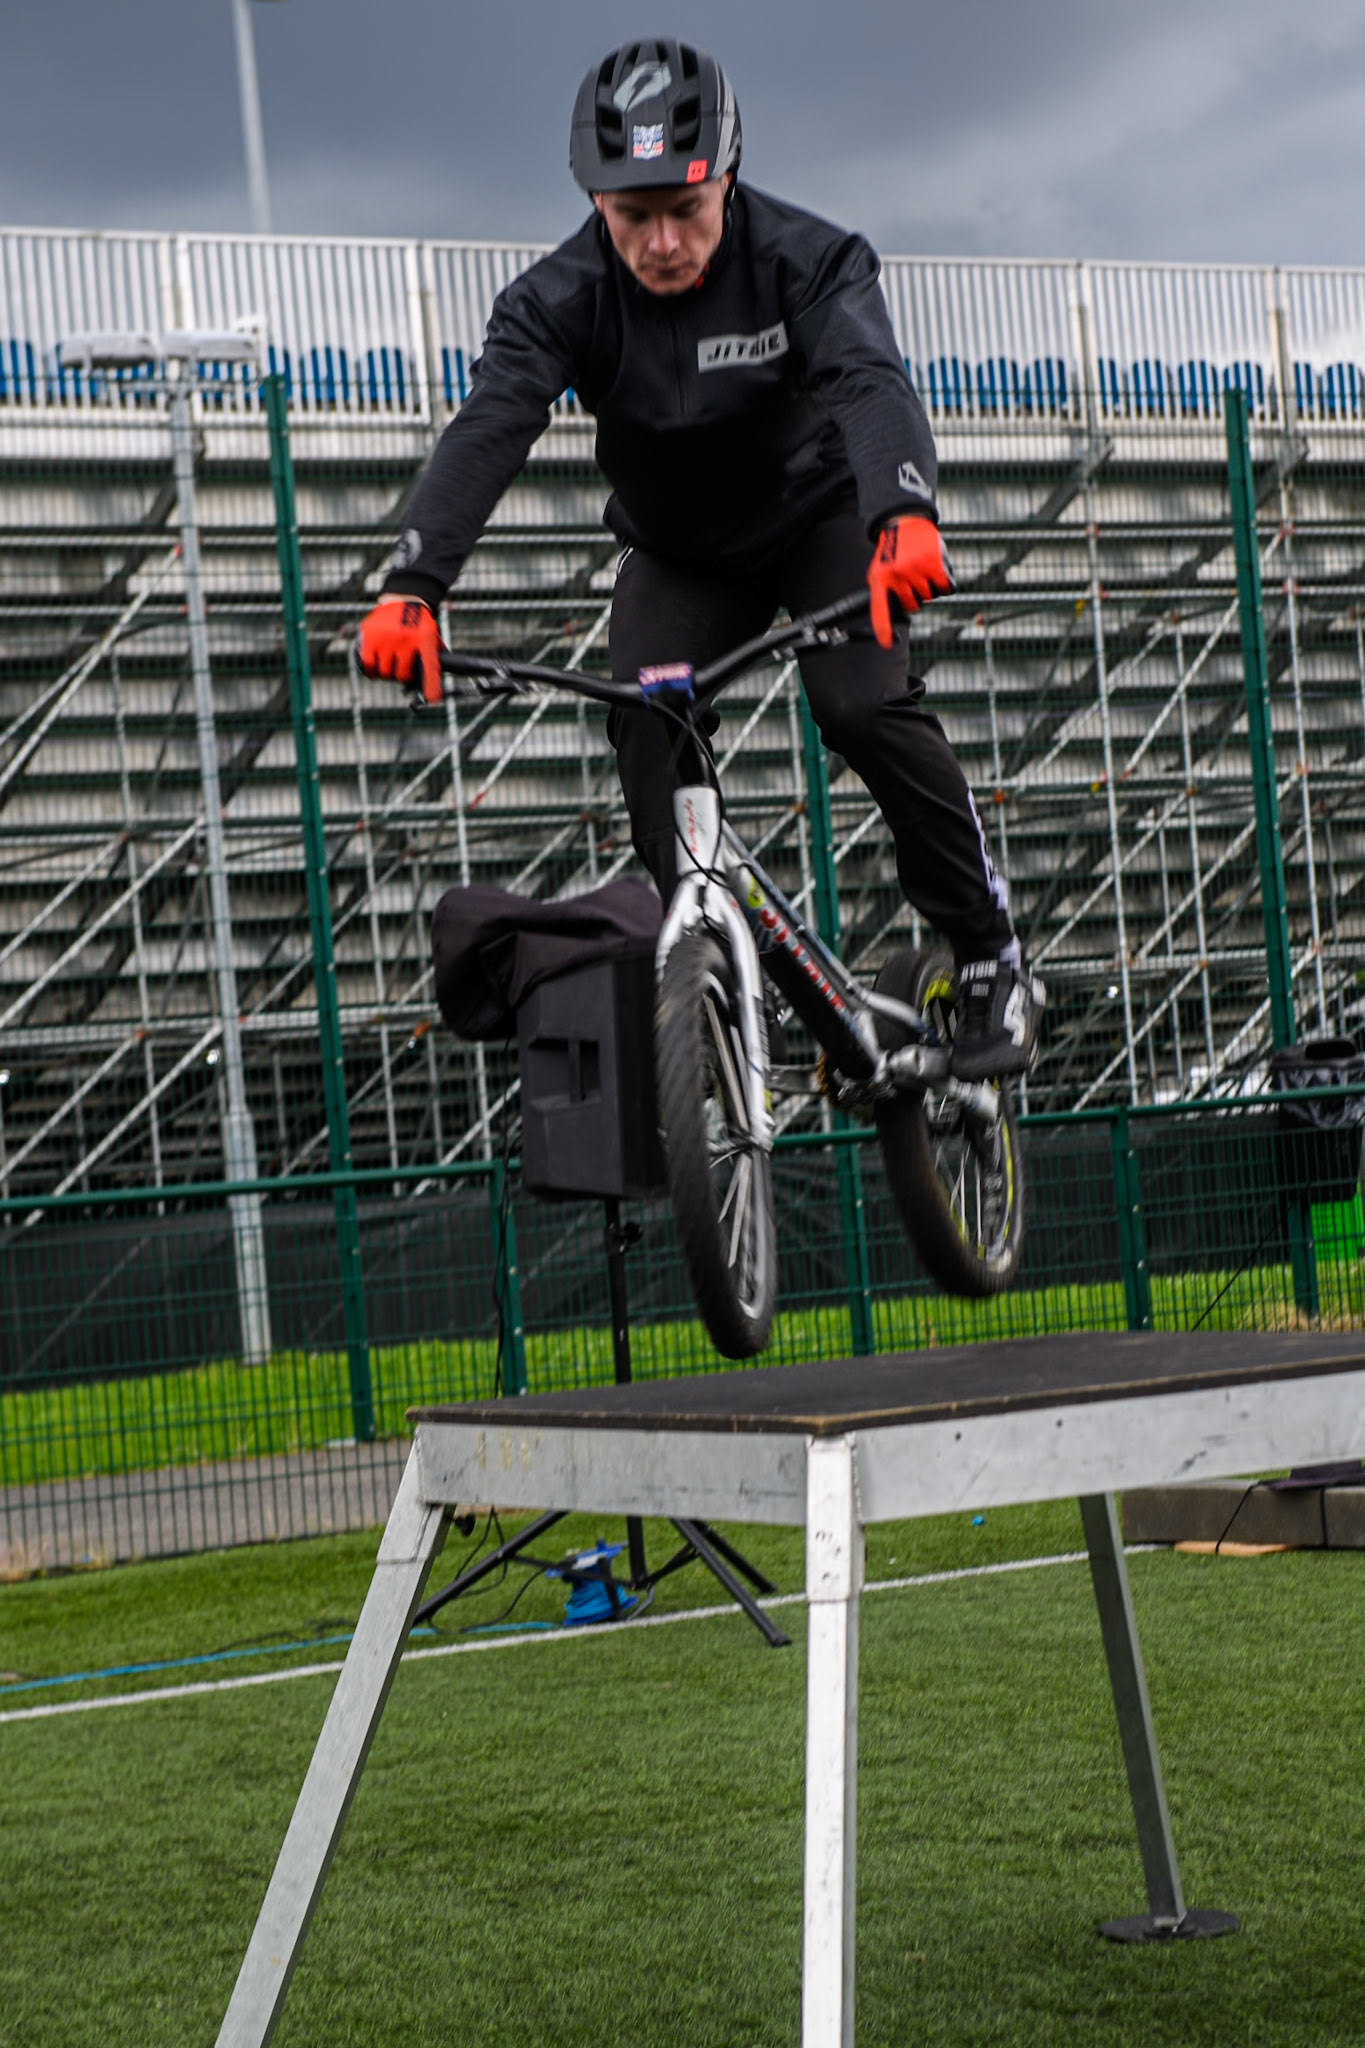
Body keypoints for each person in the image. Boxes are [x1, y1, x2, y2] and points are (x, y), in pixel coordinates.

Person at [358, 37, 1042, 1080]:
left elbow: (868, 381)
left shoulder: (808, 259)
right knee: (647, 729)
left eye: (685, 208)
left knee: (860, 705)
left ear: (726, 174)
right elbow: (491, 423)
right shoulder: (556, 299)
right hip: (681, 556)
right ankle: (725, 980)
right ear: (595, 202)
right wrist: (414, 586)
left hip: (821, 523)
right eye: (633, 217)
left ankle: (989, 948)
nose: (663, 242)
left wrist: (903, 512)